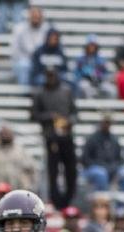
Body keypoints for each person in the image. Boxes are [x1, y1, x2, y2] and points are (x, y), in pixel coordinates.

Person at [31, 68, 77, 208]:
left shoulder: (66, 91)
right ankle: (55, 200)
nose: (51, 78)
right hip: (51, 138)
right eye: (48, 76)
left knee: (71, 169)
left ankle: (69, 197)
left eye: (53, 75)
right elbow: (34, 115)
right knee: (53, 170)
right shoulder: (40, 93)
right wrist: (50, 116)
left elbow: (75, 113)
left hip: (66, 136)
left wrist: (68, 121)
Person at [81, 114, 121, 192]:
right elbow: (85, 159)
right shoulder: (92, 139)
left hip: (111, 169)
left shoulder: (114, 140)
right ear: (100, 123)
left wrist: (112, 167)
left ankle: (122, 203)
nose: (107, 125)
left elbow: (119, 159)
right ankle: (103, 200)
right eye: (105, 122)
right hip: (93, 169)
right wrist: (103, 166)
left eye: (108, 123)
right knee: (101, 174)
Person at [9, 5, 48, 86]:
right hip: (23, 60)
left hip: (41, 60)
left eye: (38, 17)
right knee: (24, 65)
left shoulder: (47, 30)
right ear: (29, 16)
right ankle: (24, 93)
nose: (36, 19)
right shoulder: (19, 29)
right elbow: (15, 50)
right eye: (34, 16)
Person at [73, 34, 115, 99]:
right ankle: (89, 108)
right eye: (90, 45)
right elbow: (76, 74)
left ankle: (108, 108)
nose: (92, 47)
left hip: (99, 81)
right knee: (85, 87)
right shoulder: (81, 60)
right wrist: (85, 74)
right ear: (86, 46)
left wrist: (100, 75)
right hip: (86, 81)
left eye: (94, 45)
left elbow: (106, 73)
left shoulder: (101, 60)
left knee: (111, 89)